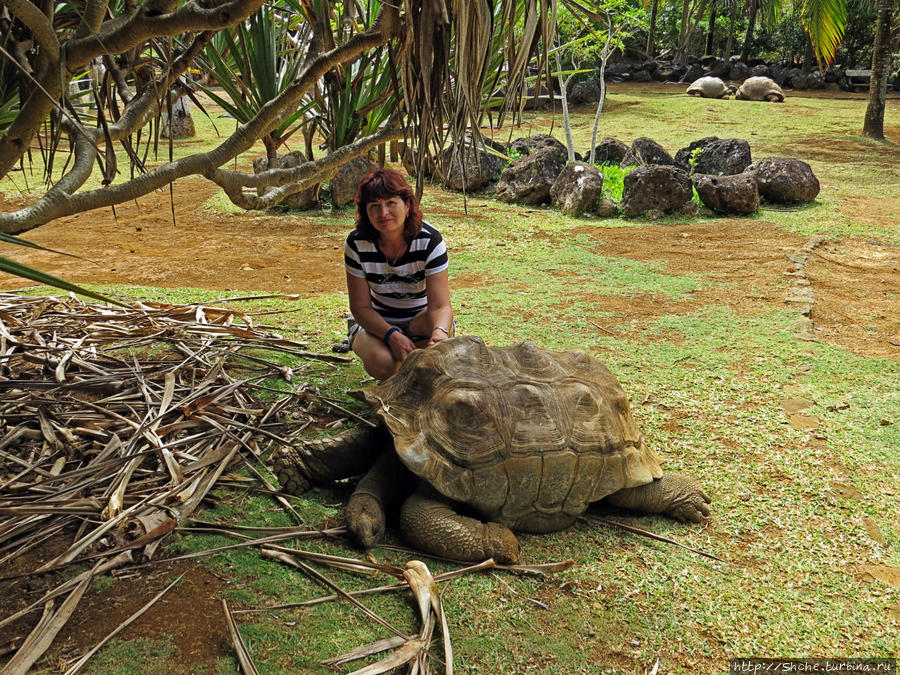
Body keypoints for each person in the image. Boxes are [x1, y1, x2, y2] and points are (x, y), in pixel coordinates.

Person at [343, 168, 454, 380]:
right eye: (374, 206)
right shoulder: (357, 243)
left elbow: (440, 306)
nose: (383, 213)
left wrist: (440, 332)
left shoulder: (430, 241)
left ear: (408, 204)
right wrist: (391, 334)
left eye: (391, 203)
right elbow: (360, 307)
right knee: (384, 364)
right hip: (376, 320)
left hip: (421, 318)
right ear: (365, 212)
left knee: (429, 359)